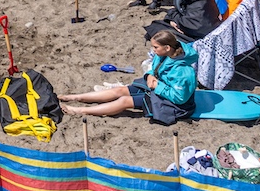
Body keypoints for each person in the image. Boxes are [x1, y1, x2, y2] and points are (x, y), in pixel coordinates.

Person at [59, 31, 197, 124]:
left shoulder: (183, 71)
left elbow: (180, 98)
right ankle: (76, 97)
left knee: (124, 101)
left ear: (167, 48)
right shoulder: (164, 55)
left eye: (156, 47)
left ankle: (81, 110)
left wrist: (157, 86)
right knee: (120, 90)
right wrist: (149, 75)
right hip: (158, 86)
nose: (153, 50)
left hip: (174, 104)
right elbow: (153, 67)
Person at [145, 0, 222, 42]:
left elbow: (196, 26)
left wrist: (175, 22)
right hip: (197, 26)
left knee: (157, 27)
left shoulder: (199, 6)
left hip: (200, 36)